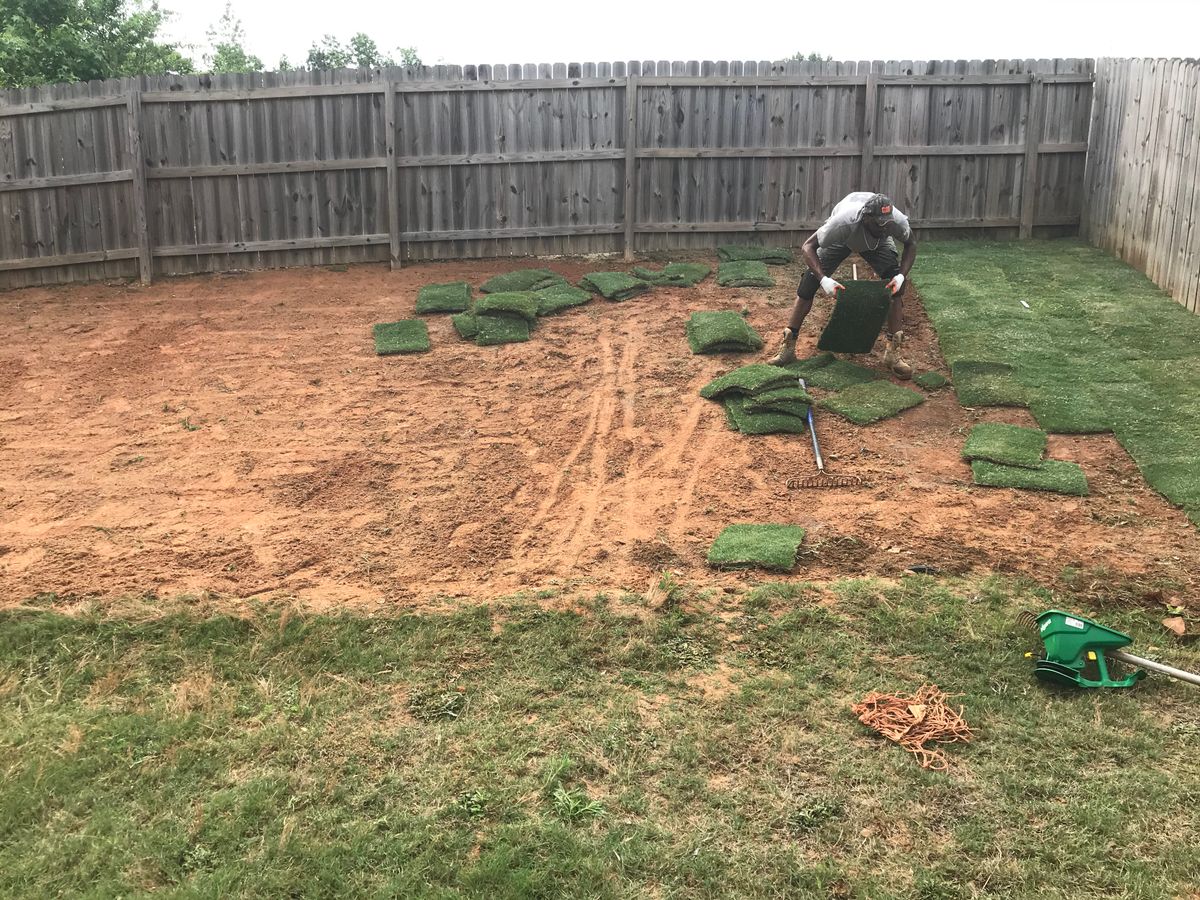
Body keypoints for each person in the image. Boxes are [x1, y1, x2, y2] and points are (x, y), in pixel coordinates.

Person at [768, 192, 916, 378]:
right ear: (866, 218)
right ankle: (788, 347)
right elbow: (808, 246)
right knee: (808, 284)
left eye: (888, 224)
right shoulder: (842, 223)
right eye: (879, 224)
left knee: (896, 288)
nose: (884, 229)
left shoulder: (895, 221)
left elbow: (911, 244)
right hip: (843, 239)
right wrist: (824, 279)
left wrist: (901, 276)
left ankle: (893, 353)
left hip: (878, 245)